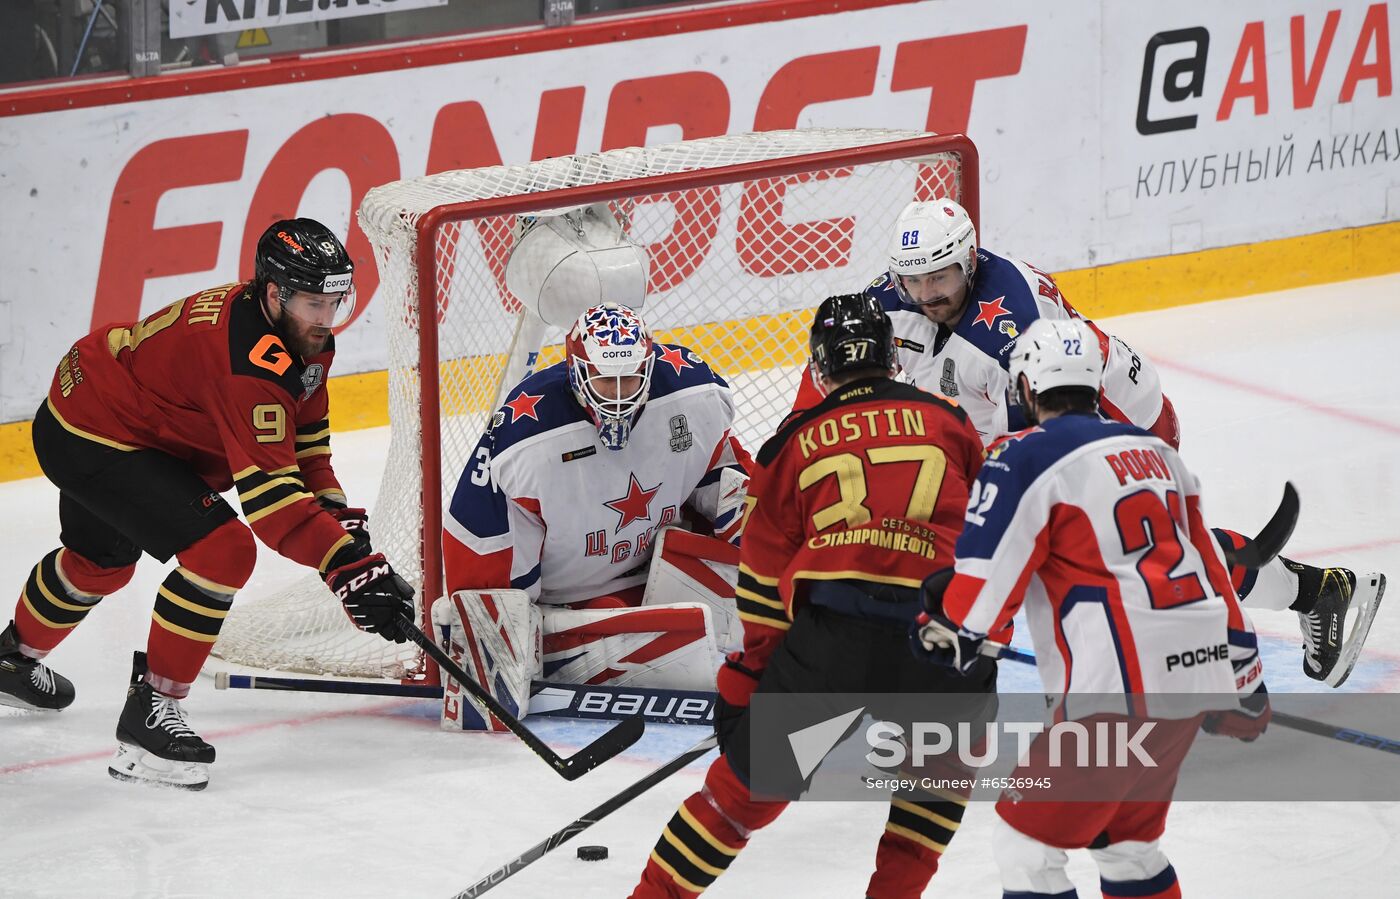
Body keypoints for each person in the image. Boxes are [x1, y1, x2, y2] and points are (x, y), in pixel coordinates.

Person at [796, 198, 1383, 687]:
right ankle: (1317, 590)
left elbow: (1031, 453)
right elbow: (840, 352)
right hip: (1026, 413)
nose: (926, 294)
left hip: (1115, 415)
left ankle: (1313, 591)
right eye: (913, 279)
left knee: (1127, 547)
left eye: (940, 278)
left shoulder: (1009, 330)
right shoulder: (899, 295)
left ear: (969, 261)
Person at [0, 219, 414, 790]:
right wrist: (347, 566)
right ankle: (152, 714)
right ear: (275, 293)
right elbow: (271, 509)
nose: (327, 318)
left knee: (101, 565)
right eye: (315, 303)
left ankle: (11, 659)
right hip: (96, 433)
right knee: (222, 551)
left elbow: (305, 441)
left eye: (336, 301)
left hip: (111, 411)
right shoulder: (250, 361)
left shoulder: (297, 330)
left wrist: (342, 533)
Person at [629, 294, 996, 899]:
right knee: (940, 778)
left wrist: (747, 682)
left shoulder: (788, 447)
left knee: (739, 798)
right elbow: (988, 537)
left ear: (819, 369)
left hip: (836, 639)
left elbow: (764, 591)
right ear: (893, 359)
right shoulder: (950, 420)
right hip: (942, 633)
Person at [912, 316, 1270, 899]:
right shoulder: (1158, 454)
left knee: (1024, 849)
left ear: (1025, 388)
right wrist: (1246, 677)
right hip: (1193, 679)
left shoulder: (1022, 454)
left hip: (1114, 696)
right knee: (1128, 850)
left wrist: (948, 629)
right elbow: (1212, 571)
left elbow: (985, 575)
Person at [440, 301, 751, 729]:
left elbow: (721, 476)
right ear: (577, 373)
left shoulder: (693, 394)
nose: (621, 394)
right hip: (563, 603)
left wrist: (768, 557)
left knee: (762, 602)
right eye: (607, 380)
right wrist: (490, 635)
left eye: (631, 378)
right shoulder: (527, 440)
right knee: (684, 646)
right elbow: (481, 535)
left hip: (655, 569)